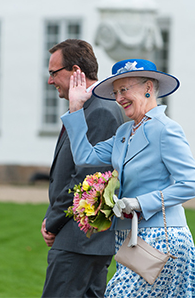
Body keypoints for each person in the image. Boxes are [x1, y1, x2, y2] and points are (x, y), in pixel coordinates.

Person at [62, 59, 195, 297]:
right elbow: (84, 157)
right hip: (128, 238)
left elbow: (192, 183)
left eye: (124, 89)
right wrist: (76, 108)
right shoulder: (124, 132)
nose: (119, 98)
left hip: (162, 237)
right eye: (117, 92)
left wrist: (141, 202)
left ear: (148, 86)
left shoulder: (166, 129)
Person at [40, 39, 124, 298]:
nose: (50, 80)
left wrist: (52, 222)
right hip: (86, 241)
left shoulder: (100, 111)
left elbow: (85, 179)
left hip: (80, 241)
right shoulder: (89, 108)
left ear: (75, 71)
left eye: (54, 73)